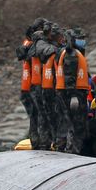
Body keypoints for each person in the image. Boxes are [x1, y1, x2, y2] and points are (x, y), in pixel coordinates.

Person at [56, 28, 90, 155]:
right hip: (73, 94)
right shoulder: (72, 54)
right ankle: (72, 152)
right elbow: (70, 76)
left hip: (67, 93)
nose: (82, 42)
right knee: (76, 125)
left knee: (67, 123)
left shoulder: (66, 52)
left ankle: (64, 148)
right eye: (80, 39)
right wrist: (73, 95)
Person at [33, 23, 63, 150]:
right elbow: (44, 51)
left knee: (46, 116)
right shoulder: (42, 46)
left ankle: (47, 142)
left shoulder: (45, 45)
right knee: (47, 116)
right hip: (44, 87)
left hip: (46, 85)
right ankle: (47, 143)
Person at [17, 18, 44, 148]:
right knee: (37, 117)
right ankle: (38, 141)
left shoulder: (29, 44)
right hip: (32, 86)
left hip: (29, 86)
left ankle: (37, 140)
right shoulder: (31, 45)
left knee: (35, 118)